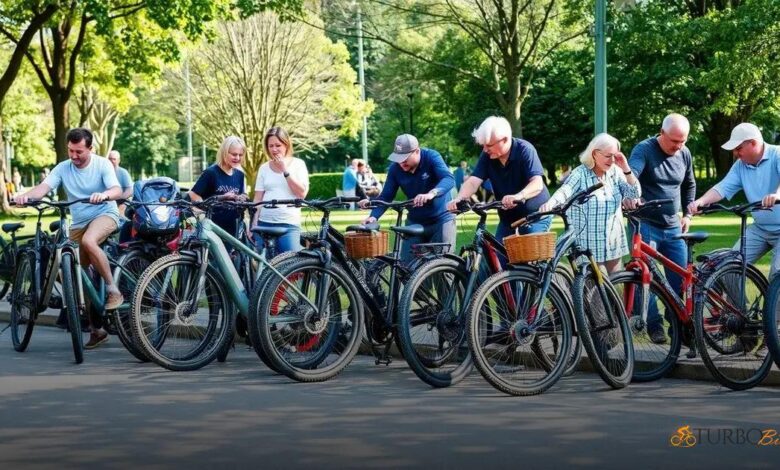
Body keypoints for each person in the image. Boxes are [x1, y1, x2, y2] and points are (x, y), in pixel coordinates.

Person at [15, 128, 123, 349]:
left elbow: (116, 189)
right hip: (79, 223)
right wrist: (26, 196)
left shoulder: (102, 164)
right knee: (68, 273)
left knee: (88, 241)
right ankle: (96, 329)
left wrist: (104, 195)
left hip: (105, 214)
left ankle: (113, 290)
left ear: (90, 149)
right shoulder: (64, 168)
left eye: (79, 151)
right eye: (70, 151)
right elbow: (44, 188)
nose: (74, 156)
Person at [626, 113, 696, 344]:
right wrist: (632, 195)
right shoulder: (644, 149)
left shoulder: (684, 153)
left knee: (680, 281)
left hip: (673, 225)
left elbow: (689, 184)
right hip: (645, 223)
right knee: (645, 276)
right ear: (661, 133)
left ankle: (678, 325)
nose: (678, 146)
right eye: (674, 141)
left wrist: (687, 214)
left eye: (682, 141)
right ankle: (654, 326)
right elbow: (632, 175)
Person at [539, 133, 641, 274]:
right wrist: (551, 203)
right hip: (589, 246)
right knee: (596, 293)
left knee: (616, 290)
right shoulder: (580, 174)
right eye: (607, 156)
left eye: (615, 156)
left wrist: (626, 168)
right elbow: (565, 191)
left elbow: (635, 193)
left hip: (613, 243)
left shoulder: (616, 172)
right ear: (594, 154)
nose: (612, 161)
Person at [688, 122, 780, 277]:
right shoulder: (740, 166)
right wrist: (701, 202)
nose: (735, 154)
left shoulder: (777, 154)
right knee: (729, 268)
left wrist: (777, 195)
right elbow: (723, 187)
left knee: (777, 276)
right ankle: (740, 303)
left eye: (738, 149)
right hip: (760, 228)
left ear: (753, 143)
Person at [448, 116, 551, 241]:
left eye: (489, 145)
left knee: (529, 258)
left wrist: (519, 196)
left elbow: (537, 183)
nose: (485, 150)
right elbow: (473, 181)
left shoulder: (525, 150)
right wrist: (459, 198)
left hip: (535, 215)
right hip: (508, 218)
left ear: (504, 140)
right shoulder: (487, 155)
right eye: (483, 145)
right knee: (498, 257)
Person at [359, 134, 455, 260]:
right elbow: (386, 196)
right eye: (398, 158)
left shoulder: (431, 157)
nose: (401, 162)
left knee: (442, 270)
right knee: (407, 269)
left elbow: (448, 178)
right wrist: (373, 216)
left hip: (441, 220)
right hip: (414, 221)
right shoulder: (395, 169)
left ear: (417, 151)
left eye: (405, 157)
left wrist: (431, 194)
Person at [251, 127, 309, 254]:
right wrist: (253, 224)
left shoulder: (298, 164)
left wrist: (285, 170)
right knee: (264, 266)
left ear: (286, 145)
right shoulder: (264, 168)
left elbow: (301, 193)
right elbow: (258, 199)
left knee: (291, 265)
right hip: (264, 224)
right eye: (271, 146)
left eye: (278, 145)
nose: (274, 149)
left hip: (288, 224)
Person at [189, 136, 247, 237]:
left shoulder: (240, 175)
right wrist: (203, 214)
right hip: (212, 227)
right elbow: (193, 194)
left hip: (233, 227)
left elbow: (241, 194)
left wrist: (242, 197)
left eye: (240, 155)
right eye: (234, 154)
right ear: (224, 152)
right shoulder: (211, 173)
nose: (237, 158)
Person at [107, 150, 133, 215]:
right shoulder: (103, 172)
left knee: (120, 212)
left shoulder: (123, 172)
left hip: (122, 201)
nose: (111, 161)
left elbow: (129, 190)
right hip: (108, 201)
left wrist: (119, 198)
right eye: (110, 159)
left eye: (114, 159)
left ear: (118, 161)